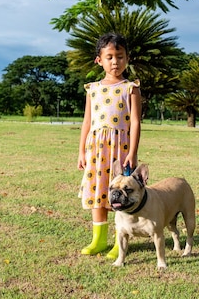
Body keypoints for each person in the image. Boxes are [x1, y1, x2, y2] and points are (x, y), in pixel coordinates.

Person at [77, 32, 142, 258]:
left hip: (120, 149)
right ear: (99, 60)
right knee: (97, 191)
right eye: (110, 57)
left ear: (127, 58)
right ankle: (98, 240)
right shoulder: (92, 89)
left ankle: (119, 241)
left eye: (120, 56)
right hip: (96, 149)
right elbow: (87, 122)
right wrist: (81, 151)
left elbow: (134, 122)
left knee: (119, 194)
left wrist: (132, 152)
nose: (115, 62)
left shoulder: (131, 88)